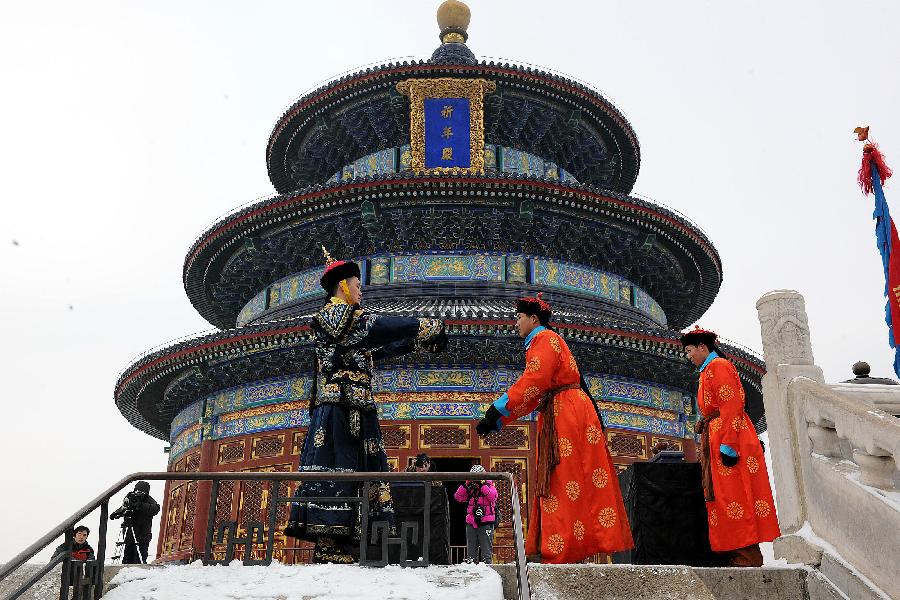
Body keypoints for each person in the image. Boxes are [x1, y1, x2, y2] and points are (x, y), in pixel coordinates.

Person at [285, 248, 448, 563]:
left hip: (357, 408)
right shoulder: (333, 316)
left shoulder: (349, 331)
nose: (361, 291)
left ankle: (345, 539)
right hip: (337, 410)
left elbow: (379, 347)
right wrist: (420, 325)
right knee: (336, 467)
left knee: (357, 469)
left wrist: (417, 342)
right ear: (343, 285)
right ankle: (327, 542)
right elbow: (376, 326)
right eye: (358, 285)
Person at [476, 293, 633, 563]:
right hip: (565, 410)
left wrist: (497, 408)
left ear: (533, 318)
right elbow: (536, 393)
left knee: (564, 478)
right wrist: (499, 419)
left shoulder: (544, 339)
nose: (515, 323)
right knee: (567, 479)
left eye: (519, 317)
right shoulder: (547, 341)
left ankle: (564, 549)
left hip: (567, 414)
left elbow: (534, 380)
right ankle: (569, 546)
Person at [680, 326, 780, 567]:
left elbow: (732, 406)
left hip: (728, 437)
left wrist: (729, 445)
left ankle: (746, 556)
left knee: (736, 495)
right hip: (717, 436)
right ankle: (735, 552)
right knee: (725, 497)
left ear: (703, 347)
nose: (688, 356)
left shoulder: (719, 367)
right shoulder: (708, 371)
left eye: (690, 350)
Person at [453, 464, 498, 564]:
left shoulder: (489, 485)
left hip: (486, 522)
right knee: (471, 555)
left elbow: (493, 497)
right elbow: (458, 497)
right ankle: (471, 572)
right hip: (471, 523)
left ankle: (489, 575)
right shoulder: (471, 488)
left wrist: (482, 486)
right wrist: (466, 485)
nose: (476, 479)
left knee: (486, 554)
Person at [110, 480, 160, 564]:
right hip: (129, 535)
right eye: (136, 491)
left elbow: (155, 509)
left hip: (142, 536)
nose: (138, 493)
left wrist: (140, 505)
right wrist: (116, 513)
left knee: (139, 560)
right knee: (127, 560)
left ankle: (139, 575)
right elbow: (124, 507)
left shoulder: (149, 500)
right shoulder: (130, 497)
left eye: (140, 492)